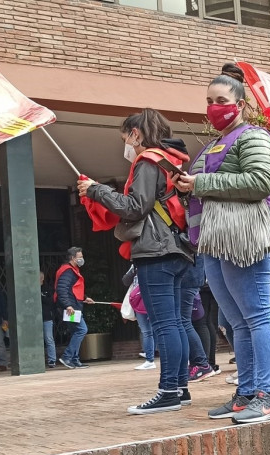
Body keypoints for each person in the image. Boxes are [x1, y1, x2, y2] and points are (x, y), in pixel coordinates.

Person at [176, 63, 270, 423]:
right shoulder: (214, 144)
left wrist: (200, 184)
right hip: (215, 241)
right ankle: (247, 393)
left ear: (239, 104)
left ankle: (268, 395)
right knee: (237, 322)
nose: (213, 106)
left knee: (256, 316)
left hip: (244, 238)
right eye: (208, 100)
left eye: (220, 99)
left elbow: (260, 181)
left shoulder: (254, 137)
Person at [77, 108, 194, 415]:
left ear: (136, 134)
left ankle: (168, 390)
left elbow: (135, 207)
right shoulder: (172, 160)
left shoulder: (148, 161)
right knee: (177, 324)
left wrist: (96, 190)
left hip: (155, 251)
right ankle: (179, 389)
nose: (126, 145)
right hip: (177, 249)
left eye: (125, 137)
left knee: (165, 324)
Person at [55, 247, 94, 369]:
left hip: (72, 306)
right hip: (71, 308)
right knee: (82, 330)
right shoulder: (68, 271)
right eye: (79, 257)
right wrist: (68, 305)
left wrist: (84, 297)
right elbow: (62, 289)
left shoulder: (71, 270)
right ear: (72, 258)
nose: (82, 259)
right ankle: (67, 356)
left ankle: (74, 359)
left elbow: (72, 289)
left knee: (75, 331)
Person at [184, 260, 218, 382]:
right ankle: (208, 363)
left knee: (198, 322)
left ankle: (204, 364)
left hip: (200, 279)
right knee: (205, 322)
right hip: (204, 278)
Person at [123, 266, 157, 371]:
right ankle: (150, 358)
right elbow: (125, 280)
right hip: (139, 299)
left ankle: (150, 359)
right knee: (148, 331)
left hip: (148, 297)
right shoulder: (135, 266)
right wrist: (134, 270)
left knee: (150, 331)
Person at [40, 271, 58, 369]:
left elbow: (51, 301)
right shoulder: (31, 288)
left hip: (47, 317)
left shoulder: (48, 289)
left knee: (48, 338)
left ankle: (52, 359)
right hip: (34, 318)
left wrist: (41, 296)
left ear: (42, 278)